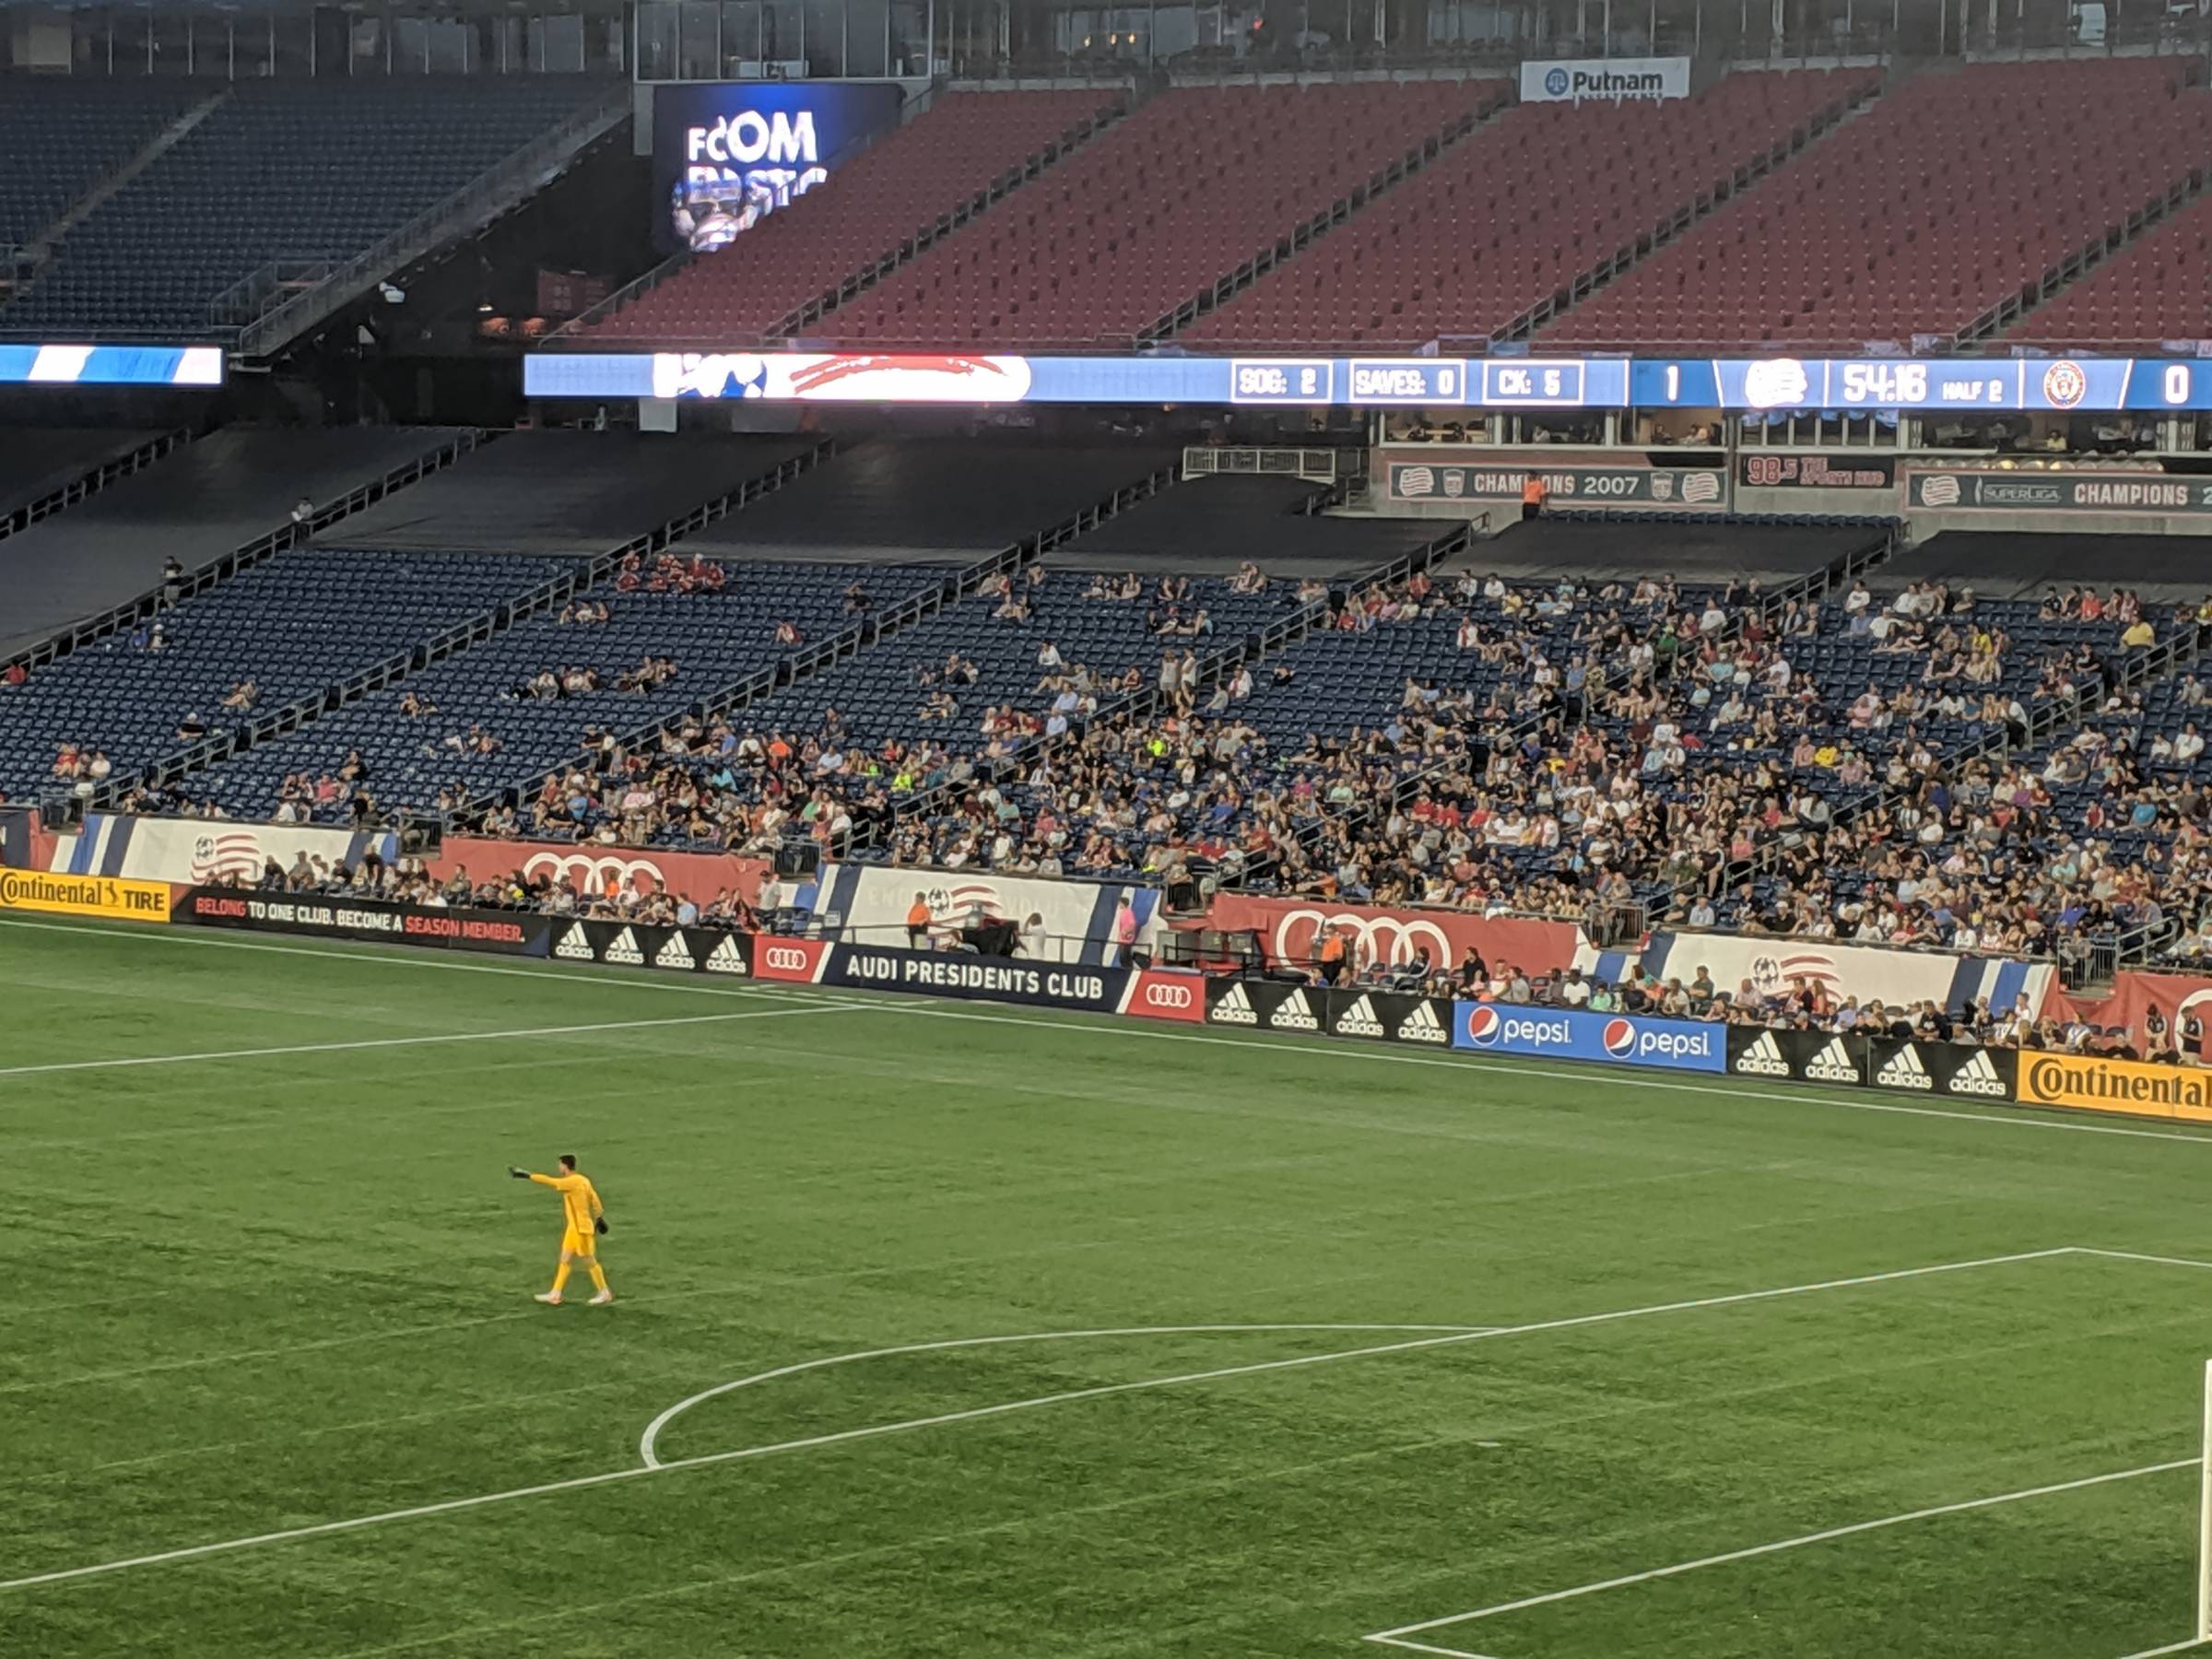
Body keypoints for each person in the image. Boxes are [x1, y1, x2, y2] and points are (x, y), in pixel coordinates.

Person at [507, 1154, 612, 1306]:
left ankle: (604, 1293)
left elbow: (551, 1182)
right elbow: (594, 1198)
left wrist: (527, 1175)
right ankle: (555, 1294)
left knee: (589, 1261)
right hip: (573, 1229)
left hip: (580, 1229)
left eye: (560, 1165)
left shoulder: (572, 1182)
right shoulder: (584, 1180)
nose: (559, 1167)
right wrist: (599, 1216)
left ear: (565, 1166)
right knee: (565, 1259)